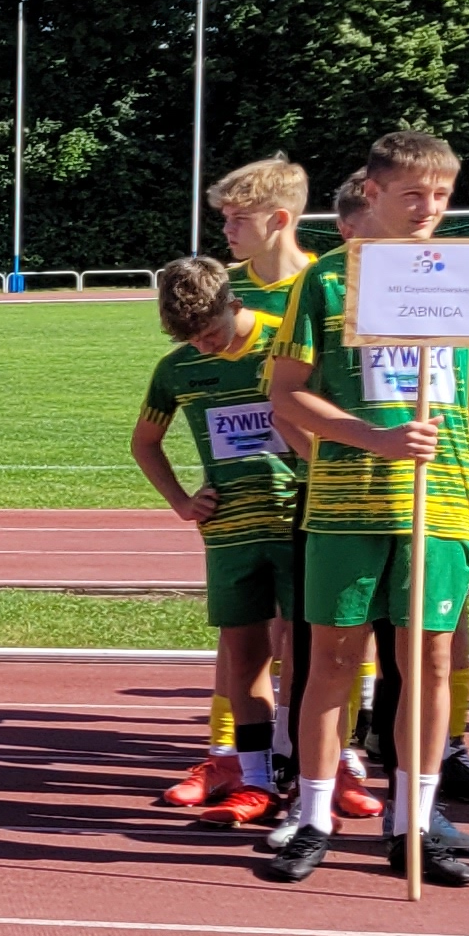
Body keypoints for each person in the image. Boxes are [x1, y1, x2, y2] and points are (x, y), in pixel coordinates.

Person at [259, 125, 469, 887]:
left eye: (441, 195)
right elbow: (286, 392)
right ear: (372, 193)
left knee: (428, 661)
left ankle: (414, 820)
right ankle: (315, 813)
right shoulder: (327, 283)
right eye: (413, 195)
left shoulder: (466, 278)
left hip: (443, 503)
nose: (429, 208)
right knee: (332, 660)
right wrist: (368, 436)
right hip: (345, 504)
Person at [156, 158, 311, 805]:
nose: (223, 228)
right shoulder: (218, 287)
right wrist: (182, 500)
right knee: (242, 637)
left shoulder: (325, 287)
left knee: (317, 638)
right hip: (239, 517)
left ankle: (330, 767)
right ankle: (230, 760)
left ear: (279, 219)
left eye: (234, 217)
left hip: (311, 504)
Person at [131, 255, 302, 831]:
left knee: (306, 651)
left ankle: (304, 770)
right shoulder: (177, 368)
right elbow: (145, 442)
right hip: (230, 531)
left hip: (299, 522)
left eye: (210, 333)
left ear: (234, 304)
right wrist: (182, 502)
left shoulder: (286, 346)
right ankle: (253, 781)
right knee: (244, 652)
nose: (203, 347)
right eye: (191, 339)